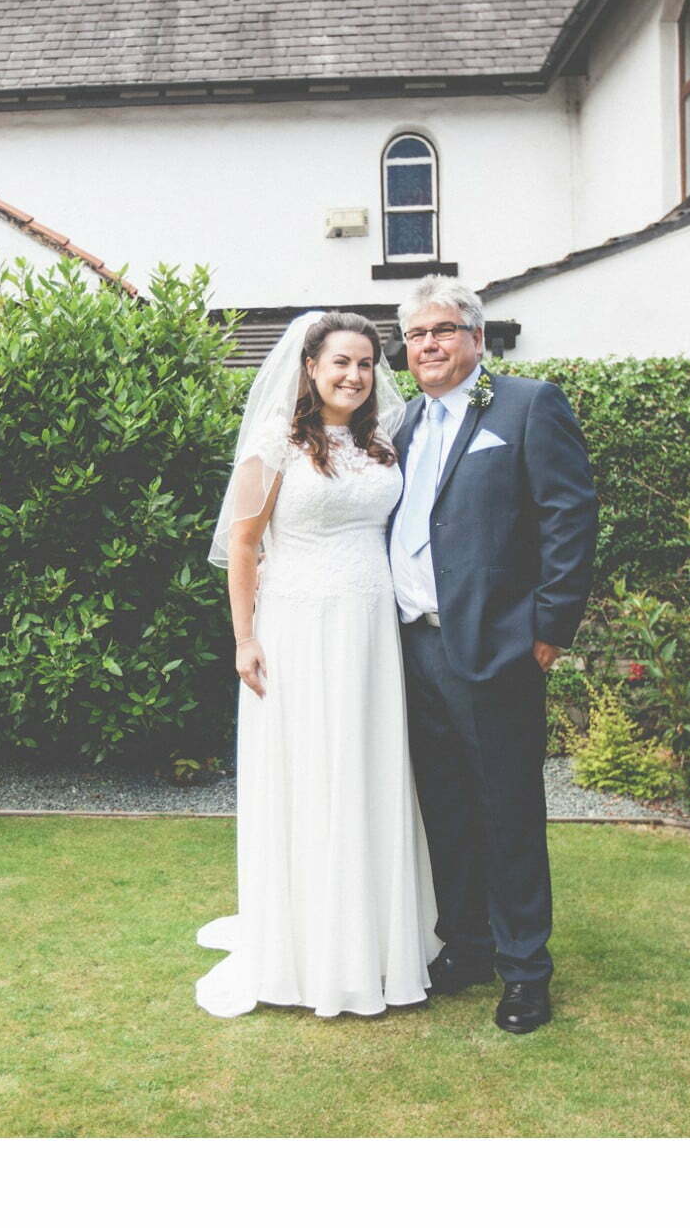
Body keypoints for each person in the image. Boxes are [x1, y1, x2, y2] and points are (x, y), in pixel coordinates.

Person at [196, 310, 441, 1018]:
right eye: (340, 362)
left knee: (367, 771)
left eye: (365, 363)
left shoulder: (383, 445)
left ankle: (376, 942)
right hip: (298, 628)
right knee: (310, 774)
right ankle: (307, 951)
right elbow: (242, 546)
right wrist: (245, 638)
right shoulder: (275, 443)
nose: (354, 376)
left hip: (369, 633)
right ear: (310, 367)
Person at [388, 276, 598, 1034]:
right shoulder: (405, 421)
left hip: (496, 649)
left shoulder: (525, 404)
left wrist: (548, 632)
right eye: (416, 335)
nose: (429, 345)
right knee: (445, 808)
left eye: (443, 330)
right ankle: (467, 944)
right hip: (412, 647)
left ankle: (525, 970)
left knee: (508, 812)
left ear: (476, 337)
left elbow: (569, 515)